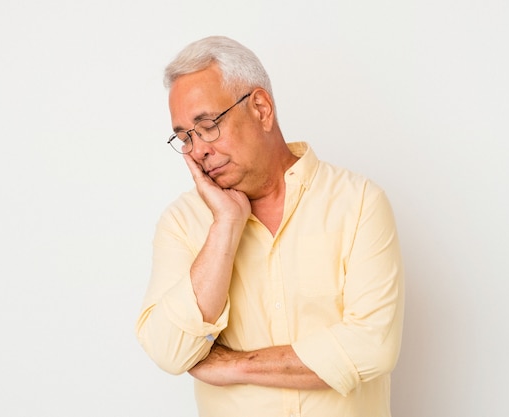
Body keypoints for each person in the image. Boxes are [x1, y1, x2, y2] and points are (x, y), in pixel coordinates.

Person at [135, 35, 405, 417]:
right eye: (184, 137)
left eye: (207, 125)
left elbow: (373, 346)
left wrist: (233, 365)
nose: (197, 150)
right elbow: (169, 351)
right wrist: (226, 226)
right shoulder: (183, 223)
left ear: (261, 108)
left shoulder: (358, 202)